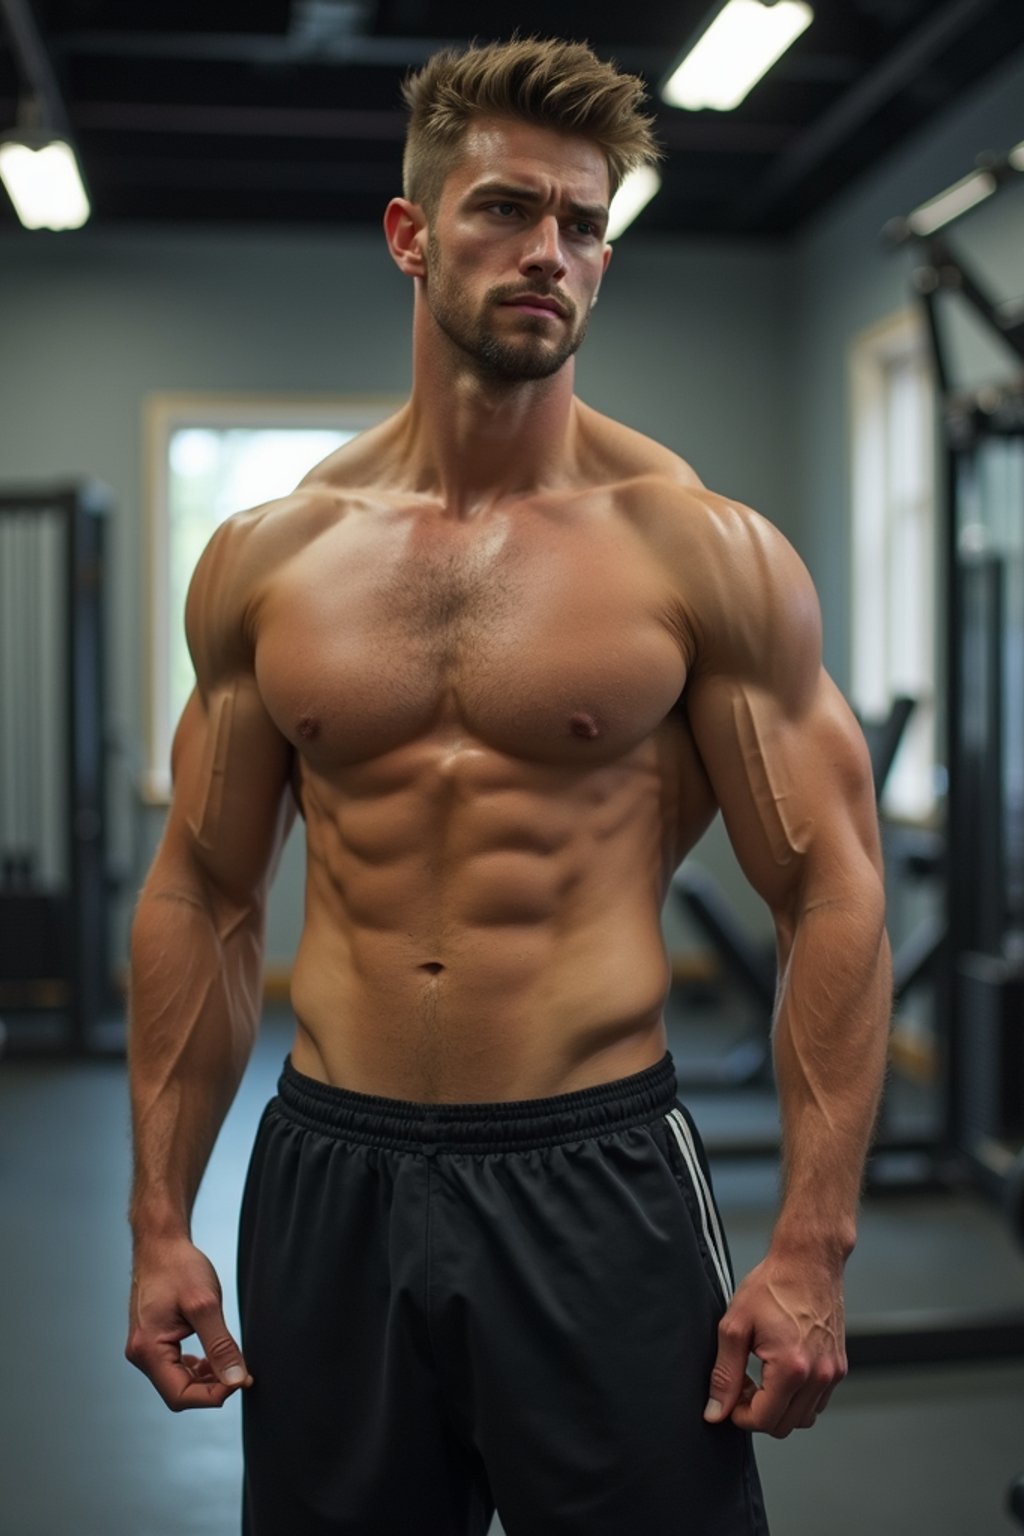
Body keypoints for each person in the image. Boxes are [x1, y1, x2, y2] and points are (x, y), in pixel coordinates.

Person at [125, 35, 892, 1536]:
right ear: (412, 234)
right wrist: (160, 1219)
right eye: (504, 211)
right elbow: (205, 894)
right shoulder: (271, 560)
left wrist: (813, 1244)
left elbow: (833, 884)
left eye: (584, 224)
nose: (550, 252)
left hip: (592, 1172)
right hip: (327, 1174)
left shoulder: (699, 553)